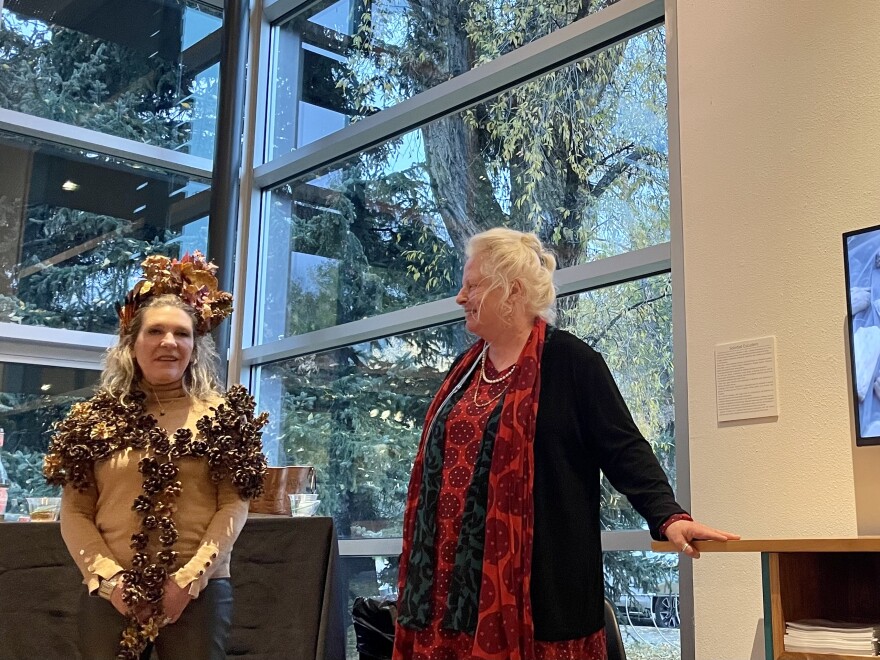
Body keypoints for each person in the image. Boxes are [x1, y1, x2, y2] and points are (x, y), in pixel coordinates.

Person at [394, 228, 738, 660]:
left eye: (473, 285)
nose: (460, 298)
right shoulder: (462, 371)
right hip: (449, 602)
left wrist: (669, 517)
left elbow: (623, 448)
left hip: (544, 602)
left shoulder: (571, 362)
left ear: (512, 290)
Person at [43, 252, 268, 660]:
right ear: (131, 344)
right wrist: (112, 583)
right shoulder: (92, 421)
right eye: (155, 332)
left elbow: (233, 505)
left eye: (182, 334)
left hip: (198, 597)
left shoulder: (224, 418)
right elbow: (74, 513)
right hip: (108, 597)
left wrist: (187, 581)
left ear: (195, 349)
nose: (169, 343)